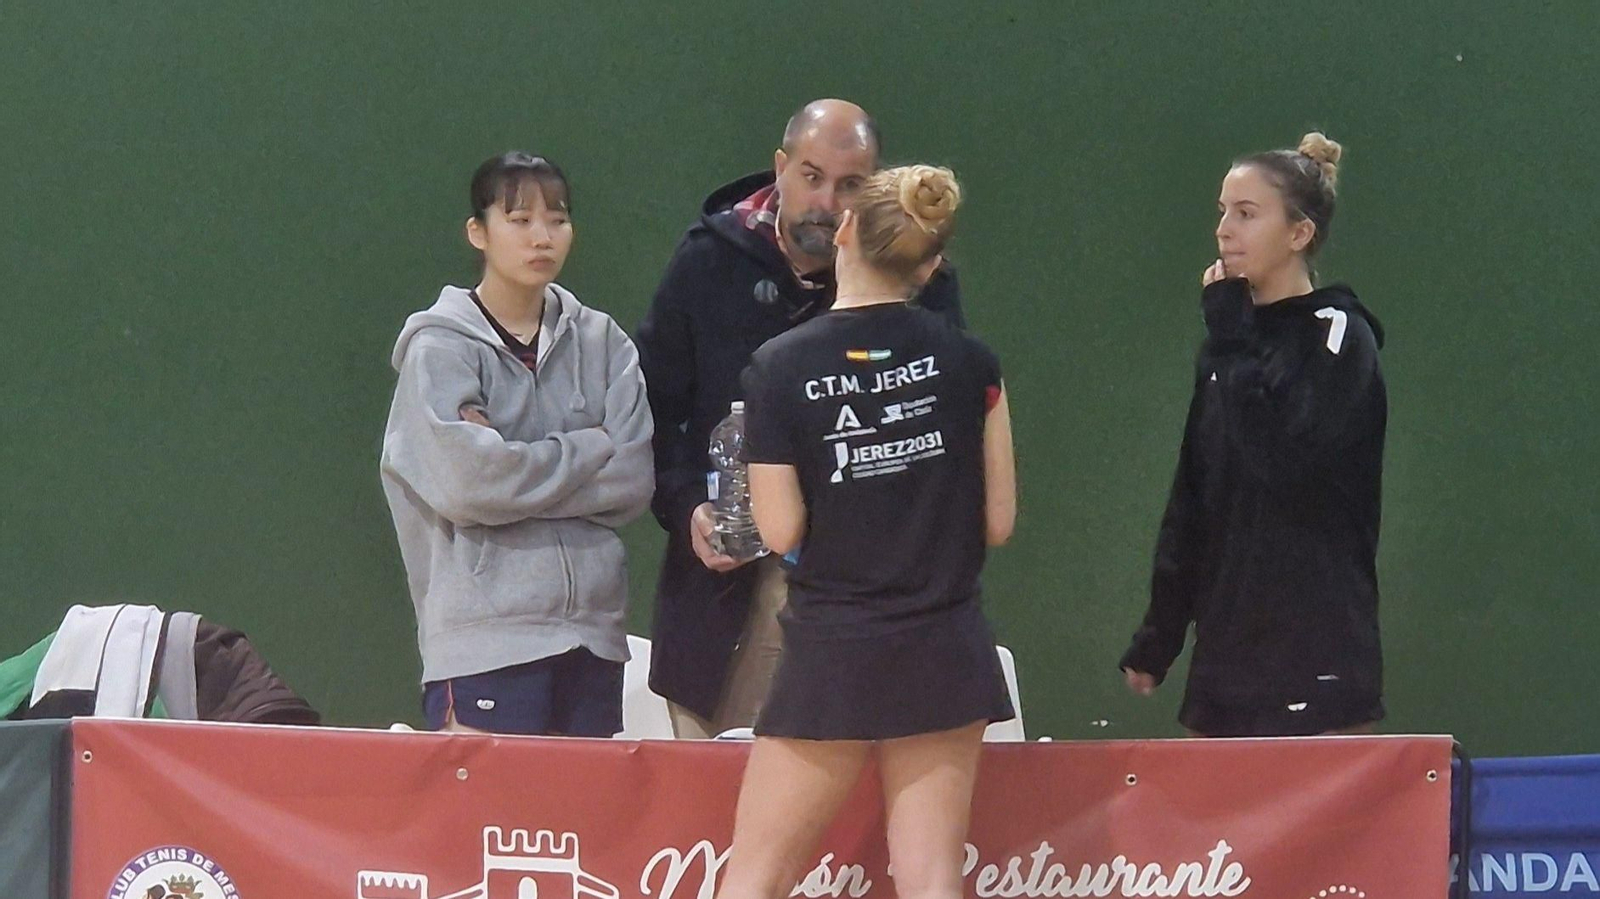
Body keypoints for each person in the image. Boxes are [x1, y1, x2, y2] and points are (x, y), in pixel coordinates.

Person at [716, 165, 1016, 899]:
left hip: (834, 652)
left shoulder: (778, 368)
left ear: (845, 230)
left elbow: (781, 526)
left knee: (754, 876)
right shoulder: (972, 363)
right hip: (944, 647)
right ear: (930, 263)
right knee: (931, 877)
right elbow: (999, 522)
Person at [638, 99, 966, 739]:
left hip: (869, 603)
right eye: (811, 176)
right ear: (780, 167)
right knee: (717, 822)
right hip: (719, 599)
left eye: (850, 185)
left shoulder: (921, 284)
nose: (826, 201)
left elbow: (947, 442)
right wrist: (686, 509)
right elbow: (648, 416)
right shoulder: (705, 263)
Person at [1119, 132, 1388, 737]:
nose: (1224, 230)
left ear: (1299, 234)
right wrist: (1160, 634)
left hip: (1317, 659)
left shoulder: (1338, 335)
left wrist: (1232, 338)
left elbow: (1285, 465)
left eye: (1246, 214)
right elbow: (1195, 497)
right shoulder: (1226, 345)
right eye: (1222, 212)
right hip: (1226, 664)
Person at [380, 152, 653, 736]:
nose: (542, 237)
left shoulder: (605, 342)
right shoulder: (440, 348)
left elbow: (632, 479)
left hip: (592, 638)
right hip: (484, 643)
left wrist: (513, 467)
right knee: (489, 824)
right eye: (520, 219)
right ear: (477, 232)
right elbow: (469, 484)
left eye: (557, 219)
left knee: (585, 824)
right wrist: (588, 447)